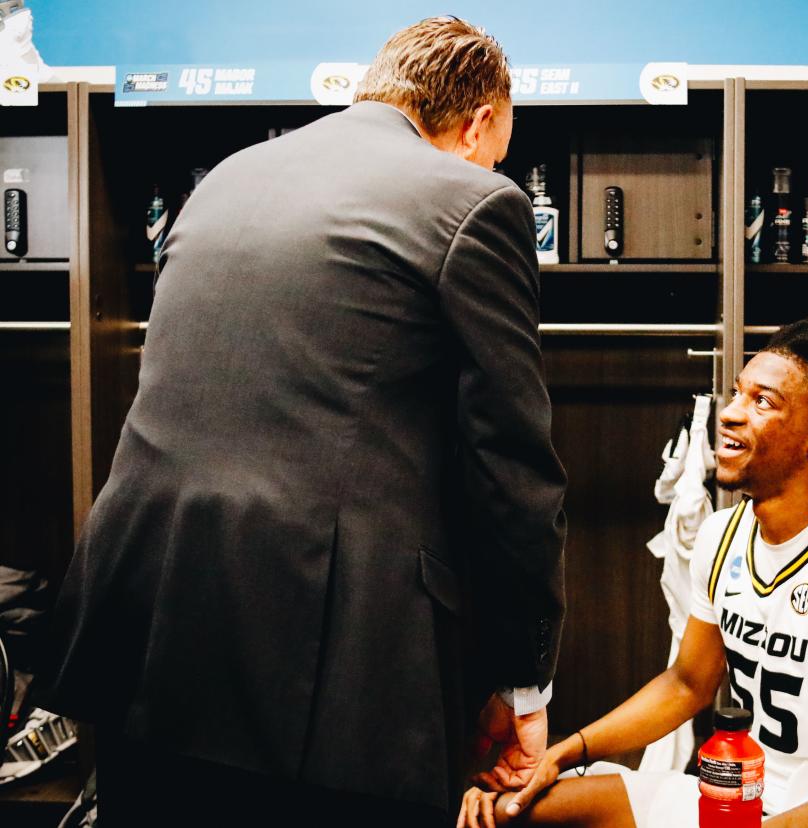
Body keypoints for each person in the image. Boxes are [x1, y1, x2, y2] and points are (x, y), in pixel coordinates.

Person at [41, 17, 566, 826]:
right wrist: (521, 680)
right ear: (478, 125)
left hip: (144, 619)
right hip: (329, 666)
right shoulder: (477, 201)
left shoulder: (227, 177)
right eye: (499, 148)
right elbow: (514, 473)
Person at [460, 315, 808, 828]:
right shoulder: (723, 536)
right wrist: (563, 753)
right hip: (738, 800)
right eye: (737, 393)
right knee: (510, 815)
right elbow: (688, 683)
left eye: (763, 402)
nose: (730, 414)